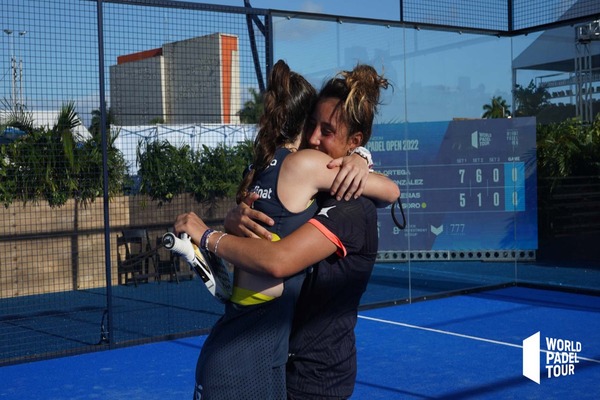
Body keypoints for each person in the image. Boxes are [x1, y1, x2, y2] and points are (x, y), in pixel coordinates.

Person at [181, 61, 398, 400]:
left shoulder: (353, 207)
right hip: (275, 362)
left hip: (315, 378)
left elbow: (279, 261)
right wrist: (233, 221)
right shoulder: (310, 185)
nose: (313, 137)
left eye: (326, 131)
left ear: (354, 140)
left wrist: (210, 237)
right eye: (311, 124)